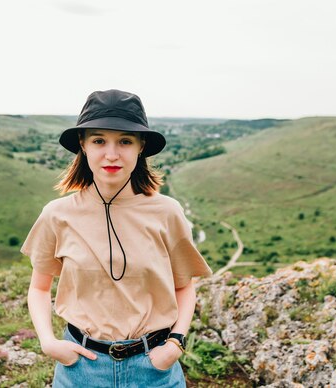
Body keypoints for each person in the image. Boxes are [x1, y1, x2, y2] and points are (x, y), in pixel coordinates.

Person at [21, 89, 213, 387]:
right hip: (80, 369)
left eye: (125, 141)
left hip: (154, 370)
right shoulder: (57, 215)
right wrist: (48, 342)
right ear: (83, 145)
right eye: (99, 141)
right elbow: (39, 288)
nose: (111, 154)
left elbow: (184, 286)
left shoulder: (167, 212)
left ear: (141, 146)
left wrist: (174, 345)